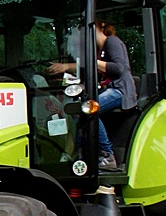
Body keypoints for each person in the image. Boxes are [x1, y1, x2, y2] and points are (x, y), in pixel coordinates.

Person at [47, 21, 136, 171]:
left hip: (120, 91)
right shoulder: (99, 50)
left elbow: (119, 69)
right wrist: (67, 69)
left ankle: (107, 154)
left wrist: (92, 61)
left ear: (98, 26)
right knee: (77, 109)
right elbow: (87, 67)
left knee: (86, 109)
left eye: (84, 31)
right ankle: (80, 153)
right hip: (107, 90)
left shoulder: (112, 42)